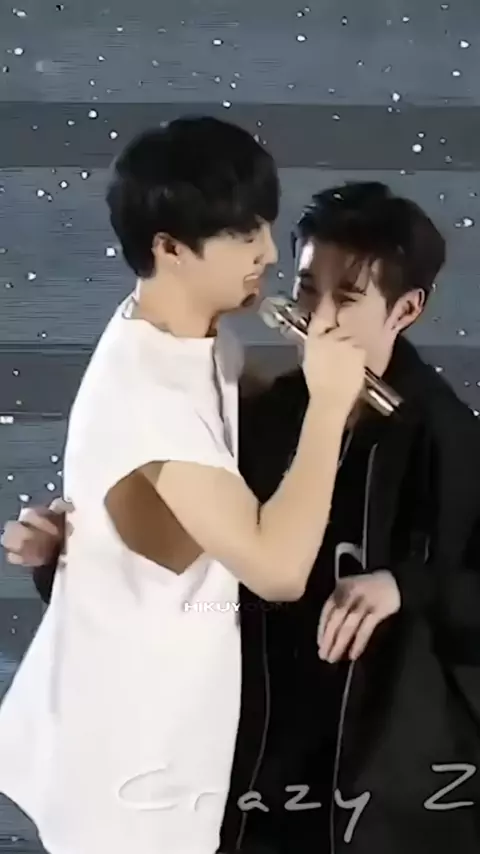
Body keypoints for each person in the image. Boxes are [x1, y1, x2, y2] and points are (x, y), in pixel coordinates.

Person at [4, 181, 480, 854]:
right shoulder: (263, 413)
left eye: (346, 299)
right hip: (255, 772)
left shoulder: (446, 435)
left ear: (405, 309)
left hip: (393, 790)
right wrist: (72, 554)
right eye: (307, 288)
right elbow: (188, 570)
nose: (316, 318)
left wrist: (404, 585)